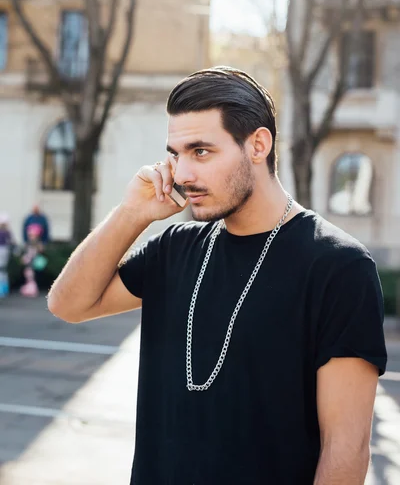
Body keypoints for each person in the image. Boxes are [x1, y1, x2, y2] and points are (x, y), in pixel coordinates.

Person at [47, 67, 387, 485]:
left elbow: (345, 448)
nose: (184, 173)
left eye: (201, 151)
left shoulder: (339, 266)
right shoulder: (174, 248)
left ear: (258, 145)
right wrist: (131, 214)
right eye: (176, 154)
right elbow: (68, 304)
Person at [0, 213, 14, 298]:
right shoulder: (7, 232)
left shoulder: (6, 232)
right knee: (3, 270)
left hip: (4, 251)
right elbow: (11, 242)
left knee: (2, 270)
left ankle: (2, 289)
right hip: (5, 251)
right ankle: (4, 289)